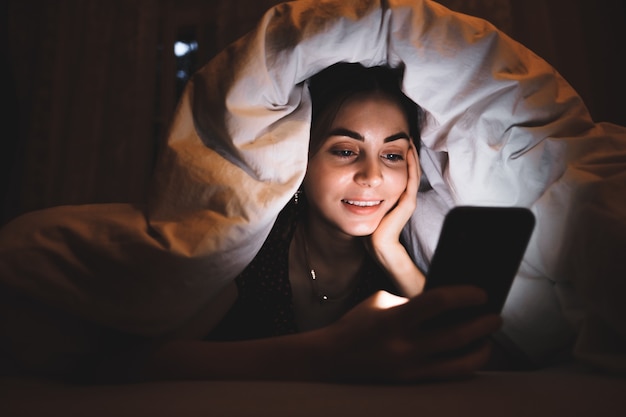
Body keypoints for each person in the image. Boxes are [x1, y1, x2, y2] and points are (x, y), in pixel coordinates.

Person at [104, 63, 502, 384]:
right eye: (346, 150)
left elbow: (461, 352)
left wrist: (390, 252)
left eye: (393, 155)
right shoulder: (255, 243)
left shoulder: (406, 253)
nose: (372, 176)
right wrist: (325, 355)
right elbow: (143, 363)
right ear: (302, 161)